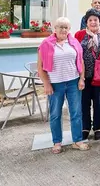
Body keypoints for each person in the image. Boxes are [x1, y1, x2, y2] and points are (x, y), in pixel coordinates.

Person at [36, 17, 89, 153]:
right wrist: (46, 84)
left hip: (73, 82)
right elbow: (40, 67)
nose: (63, 30)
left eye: (66, 27)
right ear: (55, 28)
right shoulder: (46, 44)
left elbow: (81, 61)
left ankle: (77, 141)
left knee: (76, 113)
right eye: (61, 27)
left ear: (69, 29)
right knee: (55, 114)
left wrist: (82, 78)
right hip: (55, 84)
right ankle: (57, 142)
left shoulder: (74, 43)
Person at [74, 9, 100, 141]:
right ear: (86, 22)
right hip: (84, 75)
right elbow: (74, 53)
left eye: (95, 19)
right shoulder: (79, 34)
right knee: (84, 102)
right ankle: (85, 127)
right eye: (90, 20)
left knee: (99, 102)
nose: (93, 22)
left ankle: (98, 127)